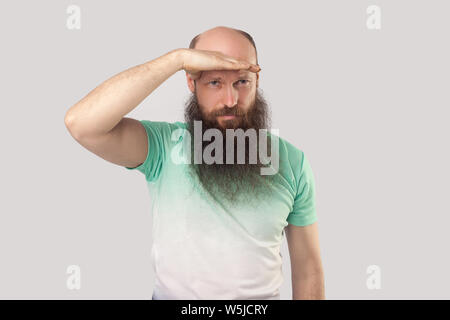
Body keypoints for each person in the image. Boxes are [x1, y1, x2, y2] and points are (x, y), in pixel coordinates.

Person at [64, 26, 325, 300]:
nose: (230, 100)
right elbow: (81, 124)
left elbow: (308, 270)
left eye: (242, 81)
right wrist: (176, 60)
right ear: (191, 82)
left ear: (257, 80)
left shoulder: (293, 162)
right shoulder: (164, 147)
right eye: (214, 82)